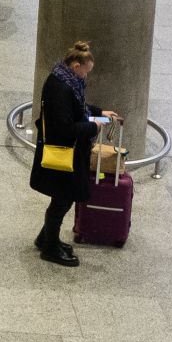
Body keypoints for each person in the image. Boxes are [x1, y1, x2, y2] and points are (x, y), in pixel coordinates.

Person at [30, 41, 120, 268]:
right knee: (62, 200)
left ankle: (46, 238)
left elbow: (78, 107)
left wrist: (99, 112)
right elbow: (65, 127)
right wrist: (94, 126)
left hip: (68, 149)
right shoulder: (61, 88)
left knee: (62, 198)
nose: (86, 77)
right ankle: (49, 247)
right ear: (76, 65)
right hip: (64, 152)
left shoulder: (67, 81)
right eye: (86, 71)